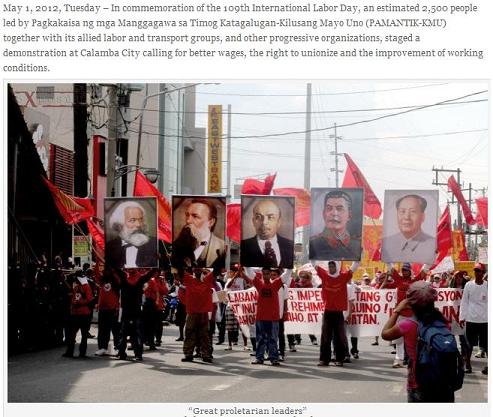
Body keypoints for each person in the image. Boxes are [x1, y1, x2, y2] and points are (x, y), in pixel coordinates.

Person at [381, 281, 456, 402]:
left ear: (411, 303)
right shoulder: (444, 322)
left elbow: (385, 334)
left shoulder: (408, 324)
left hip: (418, 383)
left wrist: (397, 311)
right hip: (443, 381)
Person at [381, 262, 428, 367]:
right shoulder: (398, 279)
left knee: (414, 338)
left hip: (412, 314)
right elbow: (391, 268)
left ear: (410, 271)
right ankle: (399, 359)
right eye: (403, 270)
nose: (404, 271)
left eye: (406, 270)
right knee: (398, 339)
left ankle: (414, 359)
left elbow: (424, 270)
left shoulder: (415, 281)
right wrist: (387, 258)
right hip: (401, 313)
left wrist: (430, 257)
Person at [242, 266, 291, 366]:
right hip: (261, 317)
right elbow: (250, 273)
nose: (265, 276)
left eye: (267, 274)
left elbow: (285, 276)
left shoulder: (276, 284)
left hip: (273, 318)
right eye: (264, 274)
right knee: (260, 339)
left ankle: (274, 358)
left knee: (273, 339)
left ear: (270, 275)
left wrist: (289, 267)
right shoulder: (259, 284)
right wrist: (246, 264)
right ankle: (259, 358)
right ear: (262, 274)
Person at [315, 259, 360, 367]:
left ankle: (340, 359)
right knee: (325, 336)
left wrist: (358, 255)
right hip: (327, 311)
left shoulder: (343, 277)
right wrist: (310, 251)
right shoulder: (324, 275)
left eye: (333, 266)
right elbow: (314, 264)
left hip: (339, 313)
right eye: (329, 266)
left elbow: (354, 266)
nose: (331, 268)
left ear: (337, 267)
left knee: (339, 337)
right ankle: (324, 360)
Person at [172, 198, 225, 270]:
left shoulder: (223, 248)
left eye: (195, 216)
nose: (188, 221)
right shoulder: (177, 246)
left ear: (211, 222)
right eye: (187, 215)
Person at [382, 194, 436, 264]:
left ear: (423, 216)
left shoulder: (431, 244)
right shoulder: (387, 244)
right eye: (402, 211)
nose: (407, 217)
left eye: (413, 211)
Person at [240, 199, 294, 268]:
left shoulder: (289, 245)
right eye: (258, 217)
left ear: (279, 222)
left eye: (270, 217)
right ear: (253, 221)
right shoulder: (244, 246)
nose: (264, 222)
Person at [309, 190, 361, 260]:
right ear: (324, 214)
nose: (334, 213)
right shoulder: (313, 244)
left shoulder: (357, 246)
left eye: (339, 209)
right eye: (329, 208)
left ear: (349, 215)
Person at [106, 200, 157, 269]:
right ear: (119, 225)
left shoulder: (155, 244)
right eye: (132, 220)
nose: (139, 225)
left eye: (141, 220)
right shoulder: (109, 248)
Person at [180, 266, 215, 363]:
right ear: (193, 271)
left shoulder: (207, 280)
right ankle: (188, 354)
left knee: (204, 335)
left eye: (199, 270)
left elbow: (216, 270)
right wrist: (174, 260)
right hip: (192, 312)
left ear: (203, 271)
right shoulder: (189, 280)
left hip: (203, 313)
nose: (198, 272)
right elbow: (179, 270)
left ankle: (206, 355)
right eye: (196, 270)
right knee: (189, 333)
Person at [459, 262, 488, 375]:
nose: (476, 273)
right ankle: (468, 365)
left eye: (479, 271)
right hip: (471, 319)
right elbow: (464, 301)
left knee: (487, 345)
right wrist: (462, 317)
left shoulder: (488, 286)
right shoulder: (469, 285)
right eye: (475, 270)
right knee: (469, 345)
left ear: (483, 273)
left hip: (485, 320)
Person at [62, 270, 94, 359]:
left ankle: (82, 353)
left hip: (84, 314)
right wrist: (73, 306)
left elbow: (89, 299)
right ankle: (70, 352)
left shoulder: (86, 287)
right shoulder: (76, 287)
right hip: (76, 314)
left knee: (84, 335)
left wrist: (79, 302)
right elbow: (73, 299)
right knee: (72, 334)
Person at [95, 269, 120, 356]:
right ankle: (103, 348)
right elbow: (96, 273)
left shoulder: (116, 281)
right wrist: (98, 261)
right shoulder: (102, 280)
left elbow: (118, 275)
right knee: (102, 329)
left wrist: (113, 268)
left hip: (114, 308)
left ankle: (118, 348)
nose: (106, 271)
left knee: (116, 329)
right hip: (102, 309)